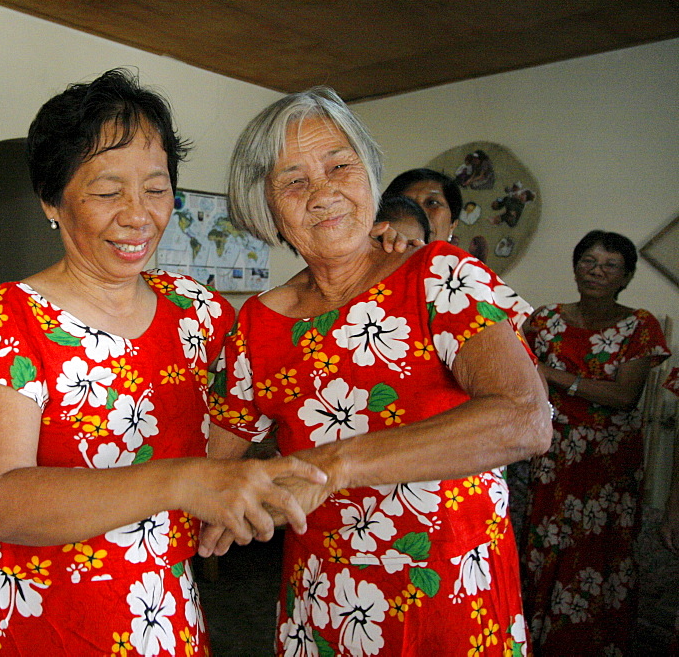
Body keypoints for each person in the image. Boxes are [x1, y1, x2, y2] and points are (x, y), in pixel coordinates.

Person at [0, 69, 334, 656]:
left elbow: (279, 370)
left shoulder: (196, 312)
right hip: (27, 616)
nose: (138, 214)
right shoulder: (9, 321)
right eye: (106, 191)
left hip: (157, 610)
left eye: (156, 187)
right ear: (51, 200)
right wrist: (182, 481)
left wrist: (368, 260)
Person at [203, 86, 551, 656]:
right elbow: (212, 466)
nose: (323, 193)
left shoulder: (437, 277)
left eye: (340, 165)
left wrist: (335, 463)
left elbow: (525, 419)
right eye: (293, 181)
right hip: (328, 604)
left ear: (368, 175)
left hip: (452, 597)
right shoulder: (259, 325)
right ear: (265, 208)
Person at [522, 230, 671, 655]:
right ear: (575, 266)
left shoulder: (640, 325)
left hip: (609, 462)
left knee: (599, 553)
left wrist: (556, 377)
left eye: (609, 266)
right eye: (588, 261)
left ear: (625, 277)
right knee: (544, 544)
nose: (597, 272)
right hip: (552, 453)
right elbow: (520, 377)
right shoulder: (545, 319)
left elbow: (625, 396)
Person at [383, 167, 462, 243]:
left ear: (452, 226)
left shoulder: (463, 257)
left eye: (432, 203)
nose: (419, 211)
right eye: (407, 203)